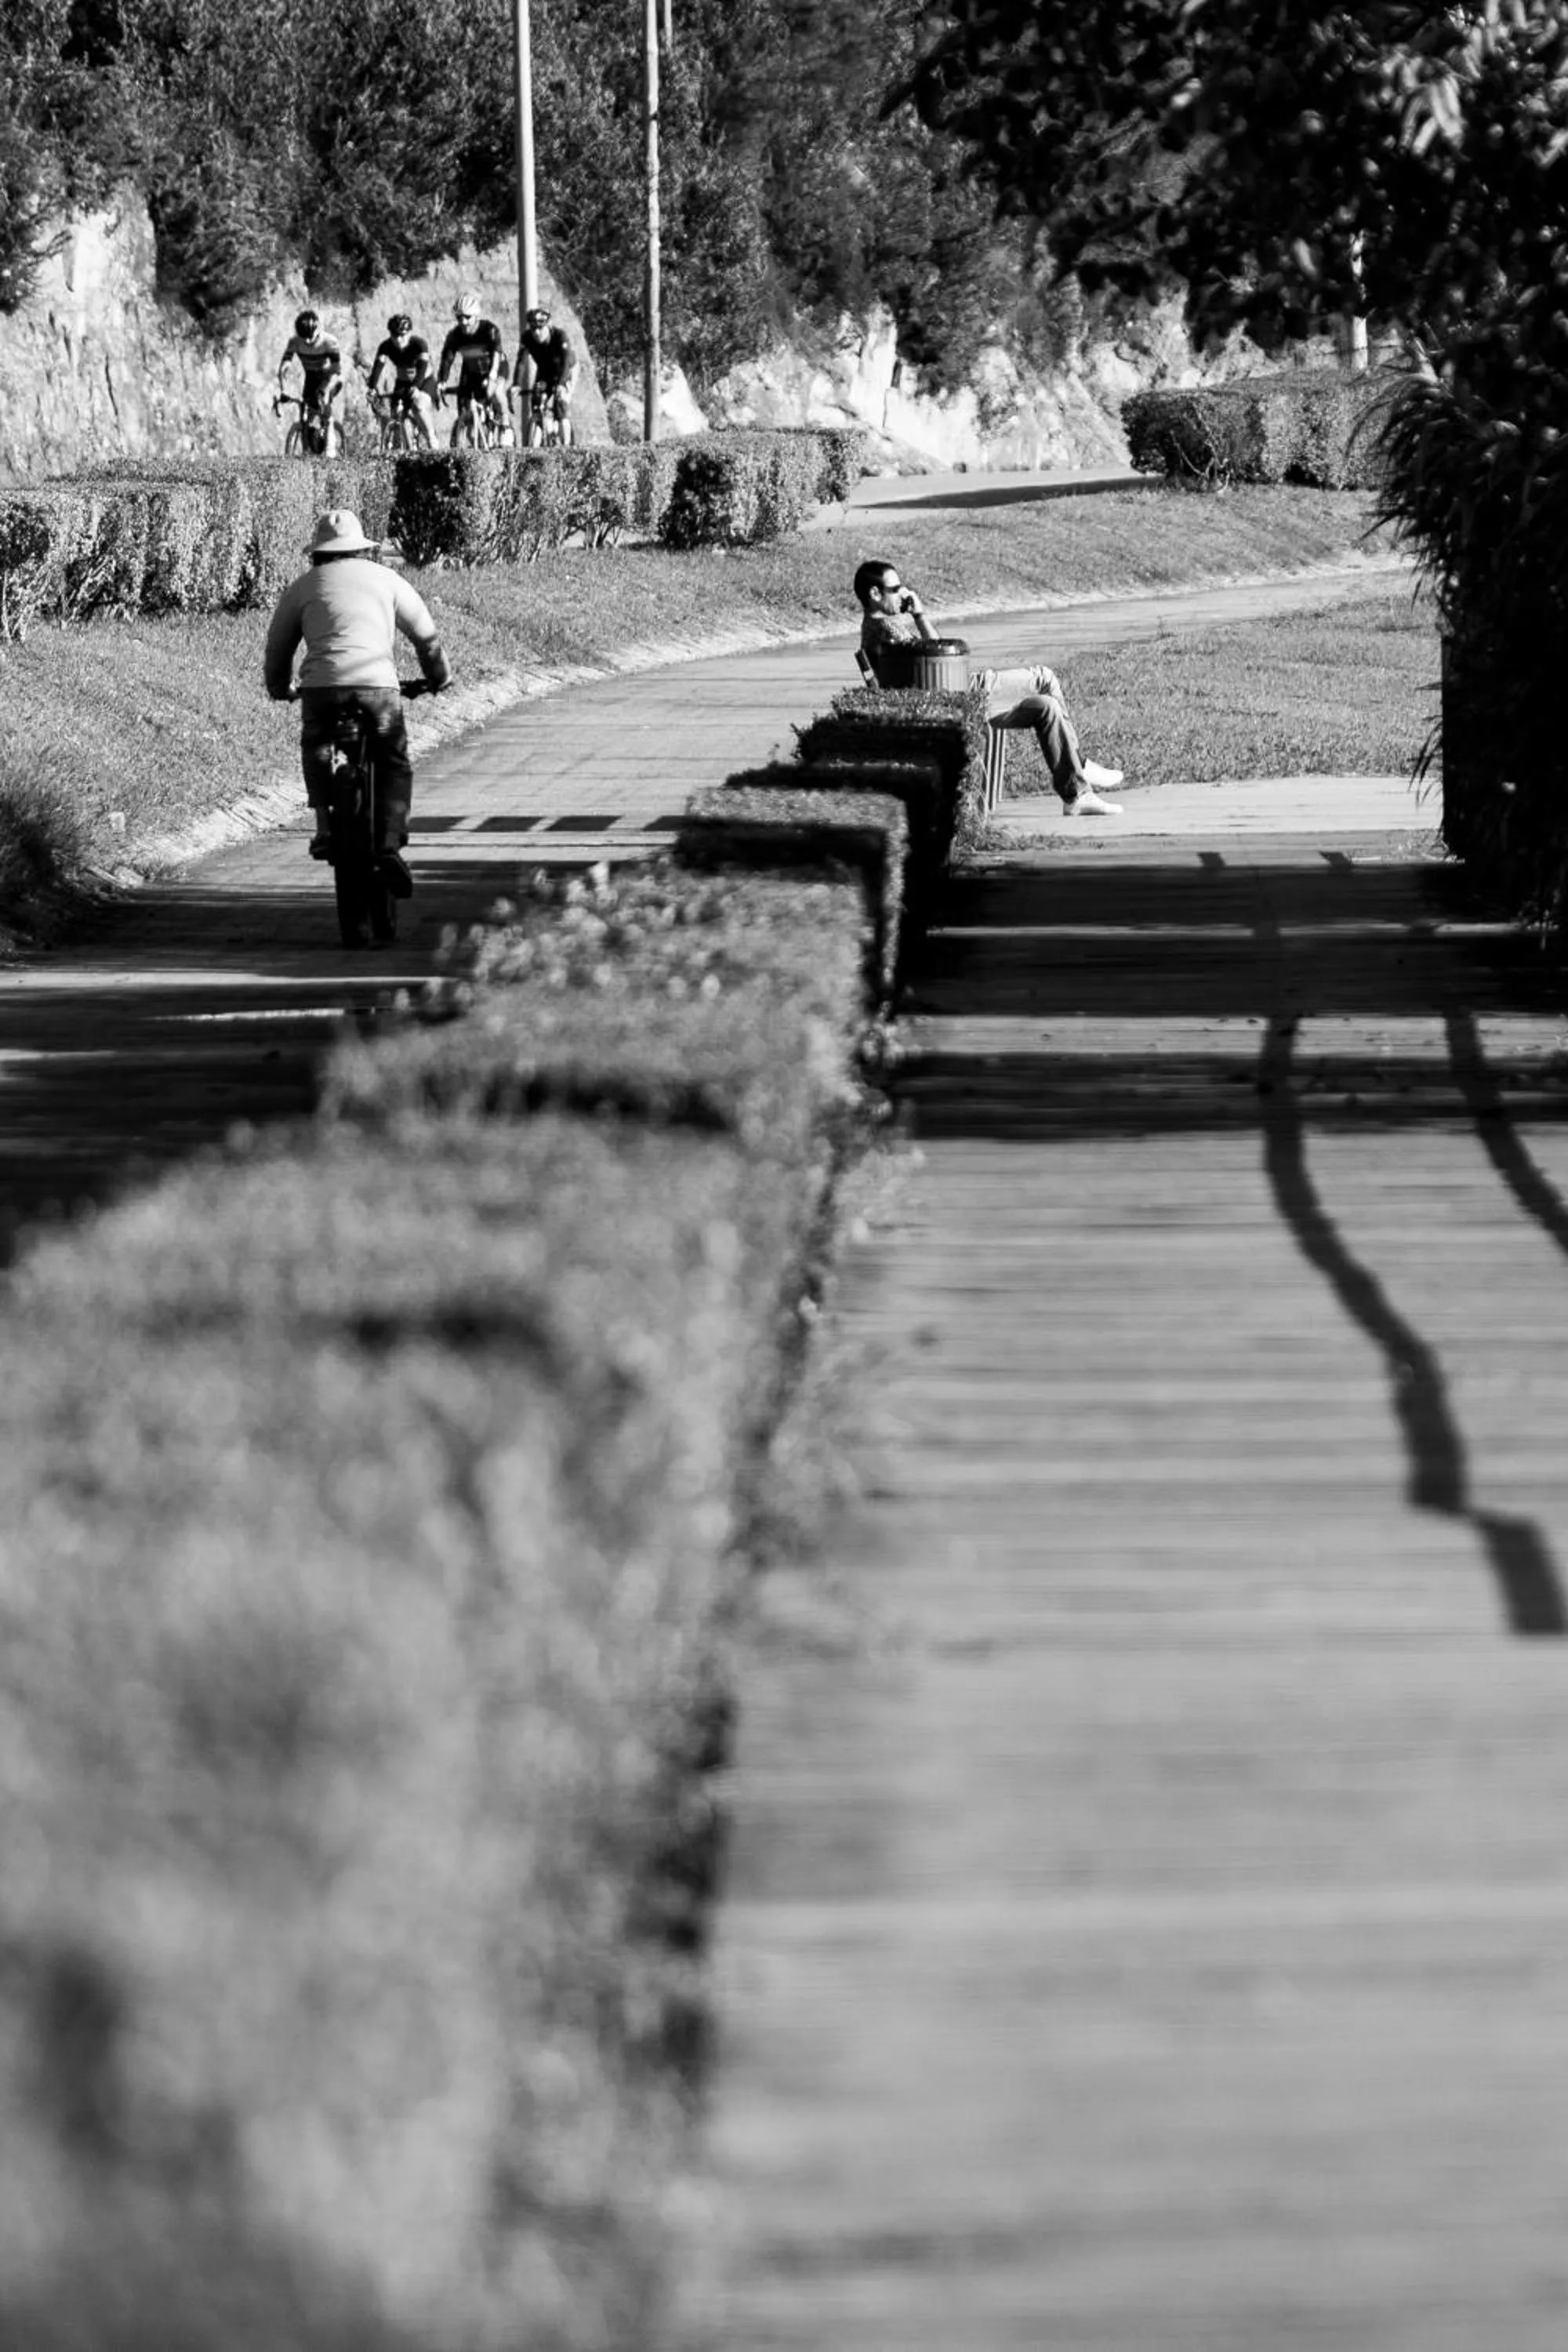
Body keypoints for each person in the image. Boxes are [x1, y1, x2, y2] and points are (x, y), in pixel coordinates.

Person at [263, 510, 452, 897]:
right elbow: (426, 639)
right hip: (378, 690)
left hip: (322, 691)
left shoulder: (302, 587)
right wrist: (438, 678)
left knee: (316, 745)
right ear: (363, 549)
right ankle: (389, 843)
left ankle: (323, 828)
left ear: (317, 553)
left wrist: (280, 688)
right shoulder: (388, 581)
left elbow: (278, 653)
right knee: (393, 762)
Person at [853, 557, 1124, 814]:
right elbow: (941, 653)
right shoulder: (886, 631)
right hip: (957, 691)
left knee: (1047, 707)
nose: (903, 593)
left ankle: (1076, 793)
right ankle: (1081, 765)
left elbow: (933, 655)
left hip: (945, 692)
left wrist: (918, 617)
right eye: (896, 588)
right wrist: (919, 615)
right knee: (1044, 677)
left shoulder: (876, 631)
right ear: (876, 594)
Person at [437, 291, 510, 441]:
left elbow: (497, 354)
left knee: (496, 392)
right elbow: (447, 359)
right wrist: (442, 381)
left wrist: (492, 377)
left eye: (468, 317)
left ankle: (505, 423)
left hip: (496, 366)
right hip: (472, 370)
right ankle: (471, 435)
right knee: (465, 404)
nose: (463, 322)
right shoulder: (455, 336)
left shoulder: (489, 330)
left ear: (476, 316)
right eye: (459, 318)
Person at [365, 313, 437, 448]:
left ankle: (432, 440)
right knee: (396, 413)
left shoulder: (419, 344)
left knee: (419, 406)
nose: (398, 340)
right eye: (395, 335)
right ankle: (403, 446)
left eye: (402, 335)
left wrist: (416, 387)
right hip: (403, 381)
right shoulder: (385, 346)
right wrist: (371, 387)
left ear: (410, 333)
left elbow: (422, 368)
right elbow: (377, 368)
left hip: (424, 380)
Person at [512, 303, 578, 445]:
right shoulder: (527, 337)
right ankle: (533, 449)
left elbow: (566, 364)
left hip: (566, 371)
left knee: (560, 404)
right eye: (533, 328)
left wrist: (560, 385)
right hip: (545, 372)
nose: (536, 332)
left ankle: (567, 449)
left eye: (540, 328)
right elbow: (521, 362)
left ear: (547, 325)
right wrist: (516, 384)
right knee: (536, 403)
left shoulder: (560, 336)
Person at [276, 309, 343, 447]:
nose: (307, 341)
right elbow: (284, 366)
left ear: (317, 329)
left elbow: (336, 369)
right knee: (307, 411)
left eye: (310, 337)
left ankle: (330, 440)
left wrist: (323, 390)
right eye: (303, 337)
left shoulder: (329, 342)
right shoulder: (295, 341)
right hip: (311, 376)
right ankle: (308, 447)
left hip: (329, 376)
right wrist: (283, 390)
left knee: (321, 400)